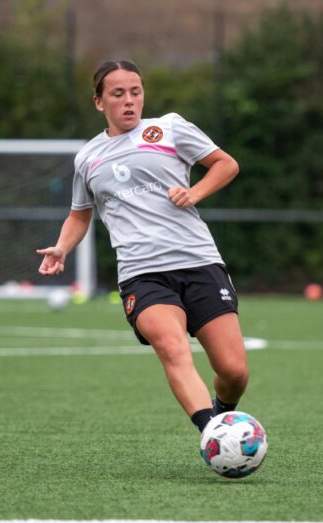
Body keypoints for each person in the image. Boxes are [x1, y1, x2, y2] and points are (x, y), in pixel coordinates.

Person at [37, 60, 248, 435]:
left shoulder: (169, 128)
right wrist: (61, 248)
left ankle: (222, 409)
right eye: (118, 94)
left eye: (136, 92)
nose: (129, 101)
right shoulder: (87, 157)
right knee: (172, 346)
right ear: (99, 102)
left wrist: (194, 192)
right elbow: (79, 216)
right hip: (141, 273)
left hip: (198, 260)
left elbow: (225, 165)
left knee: (233, 371)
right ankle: (213, 434)